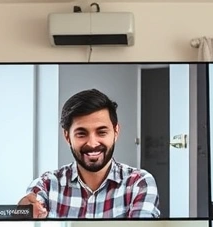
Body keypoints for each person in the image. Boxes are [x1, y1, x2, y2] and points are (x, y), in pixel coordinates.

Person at [18, 89, 160, 219]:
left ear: (116, 132)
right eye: (81, 134)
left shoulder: (139, 183)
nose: (92, 144)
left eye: (101, 132)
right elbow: (27, 213)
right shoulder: (47, 184)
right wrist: (23, 213)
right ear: (67, 136)